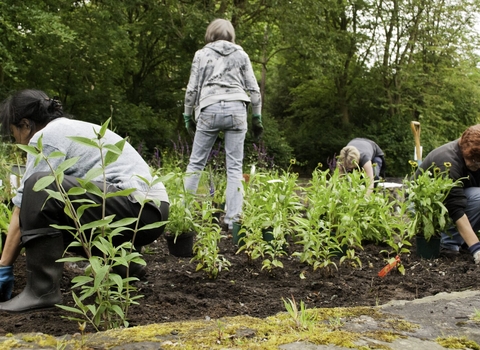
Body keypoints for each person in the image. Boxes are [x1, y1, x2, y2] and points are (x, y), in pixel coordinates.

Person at [0, 89, 170, 312]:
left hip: (136, 206)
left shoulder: (46, 137)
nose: (16, 141)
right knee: (58, 210)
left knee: (38, 186)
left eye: (14, 133)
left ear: (25, 124)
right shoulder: (71, 128)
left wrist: (4, 266)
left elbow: (22, 206)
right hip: (150, 211)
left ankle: (41, 291)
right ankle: (126, 266)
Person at [182, 18, 263, 230]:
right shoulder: (241, 54)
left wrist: (187, 115)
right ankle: (233, 220)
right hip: (237, 109)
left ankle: (183, 215)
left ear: (210, 34)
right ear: (231, 35)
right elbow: (254, 90)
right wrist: (257, 117)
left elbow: (192, 89)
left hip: (209, 108)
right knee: (235, 168)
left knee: (196, 163)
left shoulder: (201, 54)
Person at [415, 124, 480, 263]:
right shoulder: (447, 161)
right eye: (475, 161)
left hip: (454, 201)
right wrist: (476, 248)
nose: (477, 165)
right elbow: (454, 207)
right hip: (426, 206)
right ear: (466, 151)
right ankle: (448, 244)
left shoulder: (475, 158)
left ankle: (462, 240)